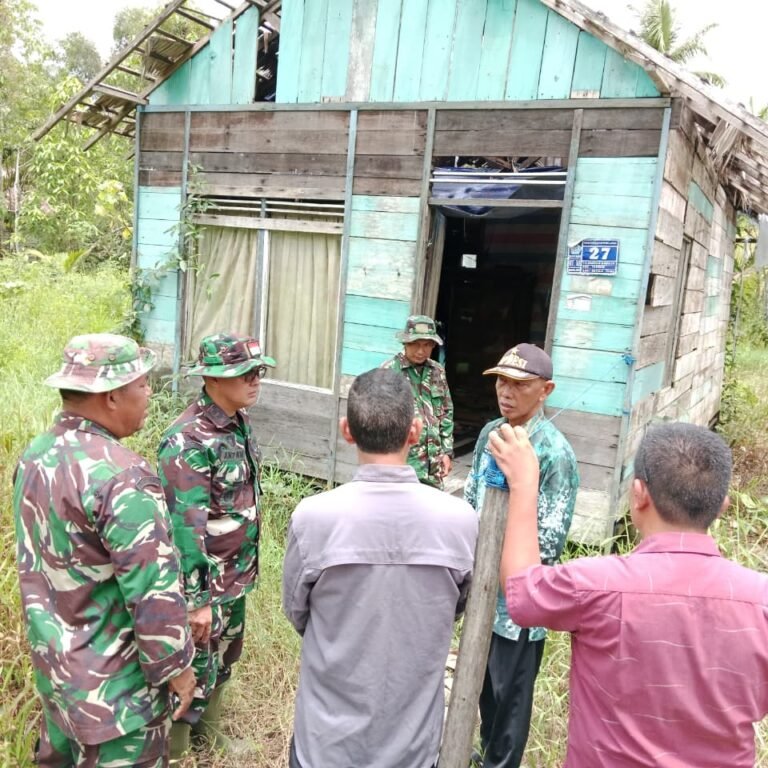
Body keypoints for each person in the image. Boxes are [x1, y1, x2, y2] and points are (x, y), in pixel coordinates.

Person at [494, 421, 768, 768]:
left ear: (638, 494)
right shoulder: (760, 600)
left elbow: (522, 592)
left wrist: (524, 485)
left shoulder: (596, 583)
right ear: (722, 505)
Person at [12, 333, 195, 768]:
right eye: (143, 385)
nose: (149, 394)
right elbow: (152, 593)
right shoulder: (123, 476)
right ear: (112, 396)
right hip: (117, 706)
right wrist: (178, 669)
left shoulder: (36, 456)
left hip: (59, 682)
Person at [283, 368, 478, 768]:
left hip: (324, 746)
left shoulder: (314, 518)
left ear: (346, 431)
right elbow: (458, 608)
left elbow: (298, 612)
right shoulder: (459, 520)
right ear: (416, 431)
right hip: (415, 750)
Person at [157, 332, 275, 759]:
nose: (255, 380)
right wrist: (196, 601)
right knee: (193, 666)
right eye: (245, 372)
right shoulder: (188, 439)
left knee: (225, 657)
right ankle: (175, 751)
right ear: (212, 378)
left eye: (258, 371)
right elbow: (184, 529)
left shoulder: (238, 422)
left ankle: (208, 734)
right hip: (204, 583)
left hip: (235, 575)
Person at [465, 343, 578, 768]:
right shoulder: (489, 433)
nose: (505, 392)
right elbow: (472, 503)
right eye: (501, 381)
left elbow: (545, 548)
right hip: (480, 598)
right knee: (477, 690)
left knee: (508, 708)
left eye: (519, 384)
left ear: (545, 390)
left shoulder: (553, 454)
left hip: (518, 612)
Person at [381, 314, 454, 489]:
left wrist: (446, 452)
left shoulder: (437, 371)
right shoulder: (389, 372)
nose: (421, 351)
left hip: (433, 466)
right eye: (415, 344)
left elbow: (446, 413)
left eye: (427, 345)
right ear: (405, 343)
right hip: (402, 466)